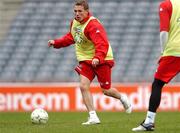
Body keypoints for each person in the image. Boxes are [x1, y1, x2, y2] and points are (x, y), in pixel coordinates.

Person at [48, 0, 132, 125]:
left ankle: (122, 98)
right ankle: (93, 116)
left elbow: (102, 43)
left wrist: (98, 57)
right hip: (86, 60)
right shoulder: (74, 23)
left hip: (102, 60)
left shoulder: (93, 25)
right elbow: (71, 37)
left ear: (87, 11)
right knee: (83, 86)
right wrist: (56, 42)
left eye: (80, 11)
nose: (77, 14)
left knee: (106, 90)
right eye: (75, 11)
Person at [132, 0, 180, 131]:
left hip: (175, 51)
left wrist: (163, 52)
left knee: (157, 84)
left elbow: (164, 31)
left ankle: (149, 121)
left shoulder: (166, 5)